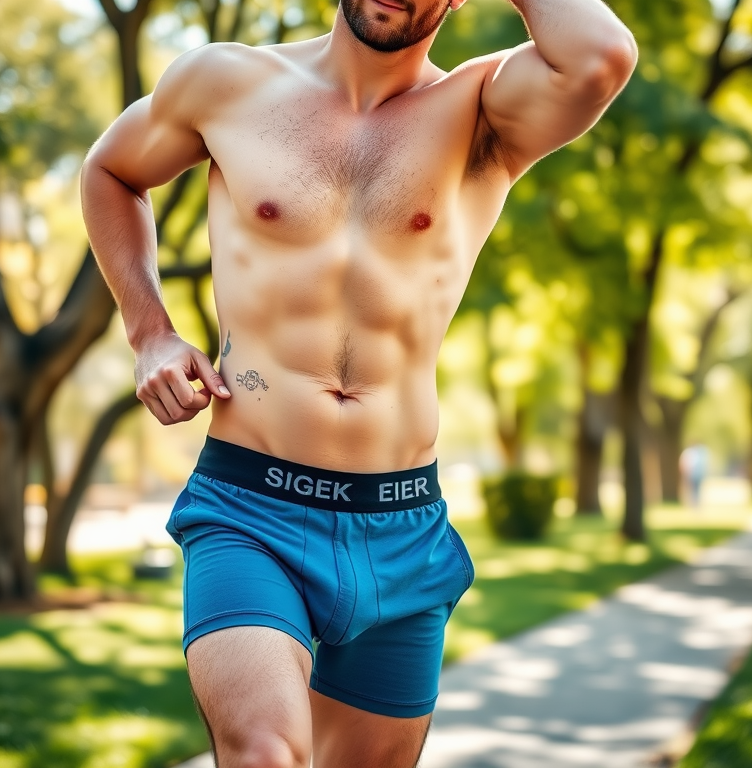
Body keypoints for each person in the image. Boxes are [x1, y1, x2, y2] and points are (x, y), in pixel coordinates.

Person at [80, 0, 636, 763]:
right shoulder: (227, 82)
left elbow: (601, 55)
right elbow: (110, 170)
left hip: (401, 525)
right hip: (251, 508)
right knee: (264, 752)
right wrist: (150, 331)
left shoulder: (481, 111)